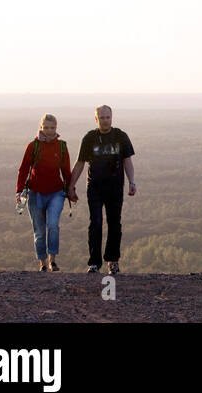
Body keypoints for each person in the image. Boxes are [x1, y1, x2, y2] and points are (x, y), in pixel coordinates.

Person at [68, 105, 136, 275]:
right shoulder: (90, 138)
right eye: (102, 117)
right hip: (95, 187)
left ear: (111, 118)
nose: (105, 120)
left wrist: (132, 181)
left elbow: (127, 161)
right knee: (96, 223)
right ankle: (94, 263)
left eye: (107, 117)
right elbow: (80, 163)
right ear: (96, 119)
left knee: (114, 224)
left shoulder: (120, 136)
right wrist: (71, 186)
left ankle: (113, 261)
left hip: (115, 187)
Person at [15, 114, 73, 272]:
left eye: (52, 128)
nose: (49, 131)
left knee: (53, 225)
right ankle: (42, 263)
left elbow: (66, 171)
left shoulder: (61, 146)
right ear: (41, 127)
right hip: (35, 193)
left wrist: (71, 190)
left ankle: (52, 260)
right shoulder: (33, 146)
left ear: (56, 128)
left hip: (56, 192)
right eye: (46, 127)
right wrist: (19, 191)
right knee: (39, 231)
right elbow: (23, 169)